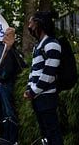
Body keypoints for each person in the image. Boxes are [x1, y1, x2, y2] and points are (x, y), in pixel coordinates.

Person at [24, 10, 63, 144]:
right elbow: (34, 71)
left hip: (46, 97)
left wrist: (33, 91)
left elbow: (49, 73)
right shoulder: (38, 46)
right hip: (38, 97)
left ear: (38, 24)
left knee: (53, 133)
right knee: (45, 134)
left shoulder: (52, 44)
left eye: (31, 22)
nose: (29, 26)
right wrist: (30, 88)